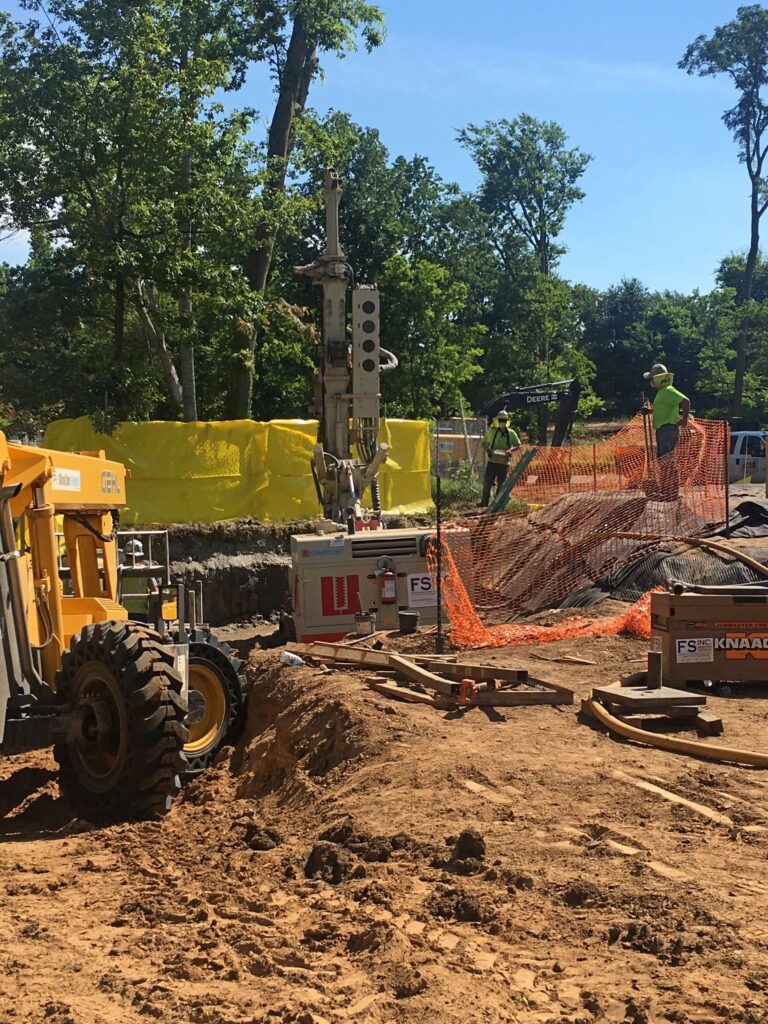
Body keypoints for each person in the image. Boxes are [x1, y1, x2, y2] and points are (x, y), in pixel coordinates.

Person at [643, 362, 691, 457]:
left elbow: (686, 401)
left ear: (657, 378)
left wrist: (685, 420)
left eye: (652, 378)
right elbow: (663, 409)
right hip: (663, 430)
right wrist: (649, 411)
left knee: (666, 460)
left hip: (668, 429)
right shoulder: (662, 391)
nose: (651, 381)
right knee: (663, 460)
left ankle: (672, 473)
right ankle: (669, 472)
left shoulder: (668, 390)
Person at [480, 410, 521, 507]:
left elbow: (518, 445)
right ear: (497, 420)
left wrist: (510, 450)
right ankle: (484, 502)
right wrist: (488, 451)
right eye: (500, 420)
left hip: (504, 463)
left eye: (504, 420)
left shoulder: (511, 433)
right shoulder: (492, 432)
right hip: (492, 462)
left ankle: (497, 504)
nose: (502, 422)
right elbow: (484, 443)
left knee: (501, 485)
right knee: (487, 482)